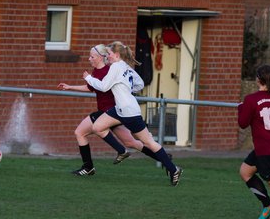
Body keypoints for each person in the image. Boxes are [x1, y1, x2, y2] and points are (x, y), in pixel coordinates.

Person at [83, 41, 183, 186]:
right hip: (120, 109)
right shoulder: (124, 66)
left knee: (148, 142)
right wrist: (125, 89)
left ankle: (173, 169)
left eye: (109, 54)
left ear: (116, 55)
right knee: (97, 127)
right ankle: (122, 150)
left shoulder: (116, 66)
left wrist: (88, 78)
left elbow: (104, 87)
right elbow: (140, 84)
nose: (107, 56)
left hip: (129, 112)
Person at [58, 44, 162, 176]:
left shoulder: (108, 70)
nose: (89, 59)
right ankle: (163, 158)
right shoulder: (98, 70)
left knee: (80, 132)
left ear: (101, 57)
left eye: (92, 56)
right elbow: (92, 88)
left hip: (109, 112)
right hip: (112, 112)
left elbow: (104, 86)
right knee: (131, 142)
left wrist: (89, 78)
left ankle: (91, 165)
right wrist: (69, 87)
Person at [238, 64, 270, 219]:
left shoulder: (251, 99)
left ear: (258, 79)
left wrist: (241, 108)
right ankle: (268, 205)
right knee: (245, 172)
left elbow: (242, 123)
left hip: (266, 150)